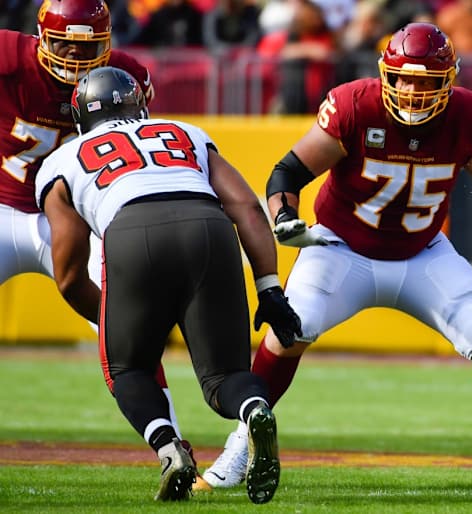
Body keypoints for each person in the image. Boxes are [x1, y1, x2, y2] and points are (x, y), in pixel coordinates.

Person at [197, 22, 472, 494]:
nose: (414, 92)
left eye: (426, 82)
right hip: (341, 248)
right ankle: (238, 450)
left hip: (423, 252)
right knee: (291, 330)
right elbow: (288, 172)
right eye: (404, 79)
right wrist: (284, 216)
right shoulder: (356, 104)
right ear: (386, 75)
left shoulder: (470, 115)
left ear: (449, 81)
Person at [35, 66, 302, 503]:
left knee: (128, 368)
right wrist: (269, 288)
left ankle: (169, 449)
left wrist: (115, 316)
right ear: (141, 105)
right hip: (209, 226)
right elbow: (248, 209)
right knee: (226, 377)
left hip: (132, 231)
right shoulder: (184, 131)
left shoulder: (61, 160)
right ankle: (255, 409)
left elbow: (67, 274)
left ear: (80, 116)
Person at [0, 0, 205, 482]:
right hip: (6, 206)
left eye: (87, 45)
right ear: (40, 37)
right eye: (65, 43)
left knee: (127, 331)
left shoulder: (125, 76)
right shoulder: (8, 57)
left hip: (74, 218)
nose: (74, 56)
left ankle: (171, 446)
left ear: (108, 43)